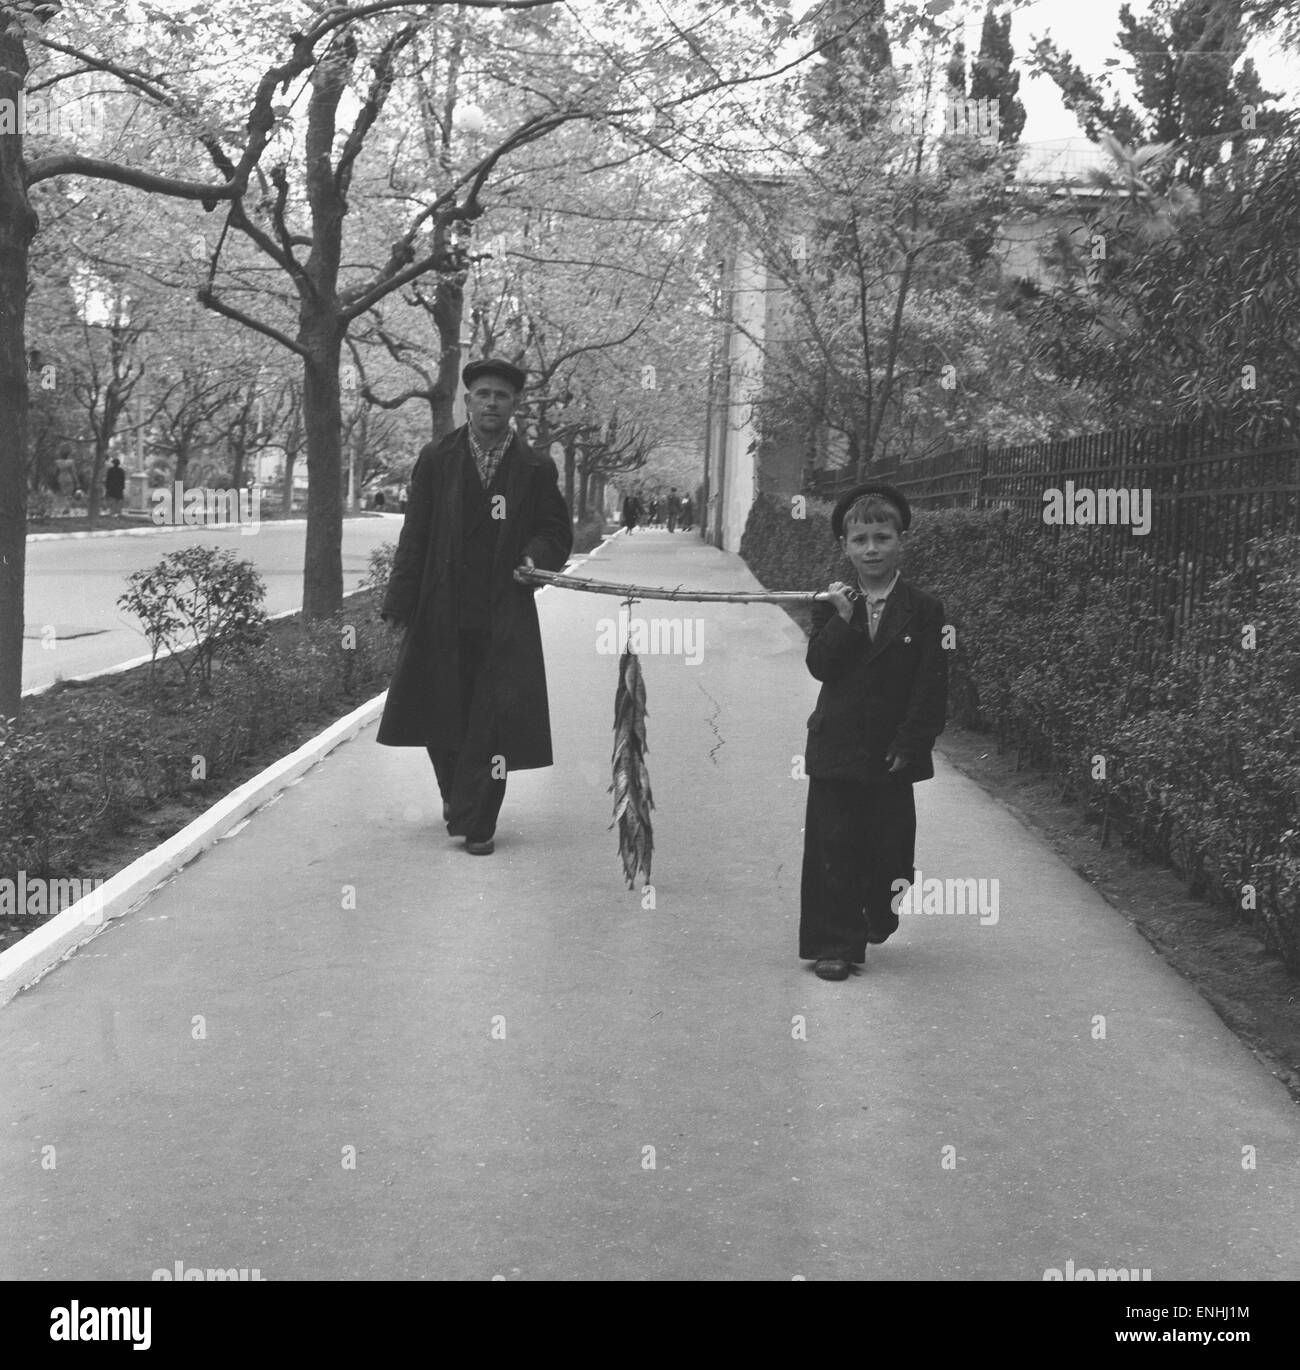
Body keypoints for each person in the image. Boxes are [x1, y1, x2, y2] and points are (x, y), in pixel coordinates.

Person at [376, 358, 573, 856]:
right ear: (467, 400)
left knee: (494, 719)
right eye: (482, 394)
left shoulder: (534, 468)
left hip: (502, 615)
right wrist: (399, 603)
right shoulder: (437, 459)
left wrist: (535, 556)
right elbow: (414, 534)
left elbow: (555, 531)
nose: (491, 402)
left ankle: (478, 820)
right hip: (441, 610)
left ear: (515, 405)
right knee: (438, 712)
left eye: (501, 396)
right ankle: (456, 796)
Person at [799, 483, 948, 980]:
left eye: (881, 537)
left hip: (891, 751)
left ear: (900, 540)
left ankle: (878, 912)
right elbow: (820, 667)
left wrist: (911, 742)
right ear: (845, 546)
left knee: (890, 852)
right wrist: (842, 620)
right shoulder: (833, 601)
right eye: (859, 539)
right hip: (836, 745)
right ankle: (833, 944)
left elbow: (931, 684)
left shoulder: (924, 610)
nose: (871, 549)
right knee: (832, 847)